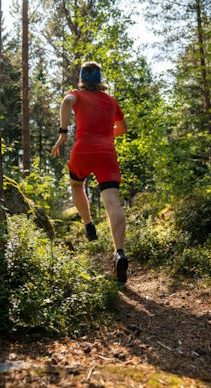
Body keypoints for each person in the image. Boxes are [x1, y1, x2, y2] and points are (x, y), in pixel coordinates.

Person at [51, 61, 129, 284]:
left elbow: (67, 101)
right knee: (112, 201)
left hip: (82, 150)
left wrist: (63, 133)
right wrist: (106, 134)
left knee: (77, 185)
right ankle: (120, 253)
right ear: (100, 80)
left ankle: (88, 224)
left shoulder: (76, 94)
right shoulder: (111, 101)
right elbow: (123, 128)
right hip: (106, 152)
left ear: (82, 79)